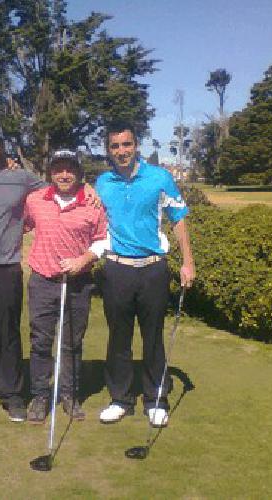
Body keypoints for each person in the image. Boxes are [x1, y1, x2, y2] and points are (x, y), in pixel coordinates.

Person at [0, 121, 99, 423]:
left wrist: (86, 185)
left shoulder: (22, 178)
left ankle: (11, 394)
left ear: (2, 146)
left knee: (7, 334)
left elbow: (60, 187)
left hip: (6, 267)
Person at [94, 123, 195, 428]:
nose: (121, 151)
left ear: (136, 145)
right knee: (118, 338)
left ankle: (155, 399)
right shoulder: (102, 182)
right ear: (108, 150)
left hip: (152, 268)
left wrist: (187, 261)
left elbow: (178, 220)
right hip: (116, 269)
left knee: (153, 338)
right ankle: (120, 398)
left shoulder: (159, 178)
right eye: (115, 146)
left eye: (126, 145)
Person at [21, 149, 108, 423]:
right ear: (51, 173)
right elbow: (18, 225)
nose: (64, 174)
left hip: (78, 283)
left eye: (70, 169)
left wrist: (84, 259)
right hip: (43, 281)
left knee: (71, 343)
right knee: (41, 342)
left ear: (79, 173)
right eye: (58, 169)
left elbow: (103, 239)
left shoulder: (93, 204)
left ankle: (69, 394)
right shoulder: (35, 200)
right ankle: (40, 395)